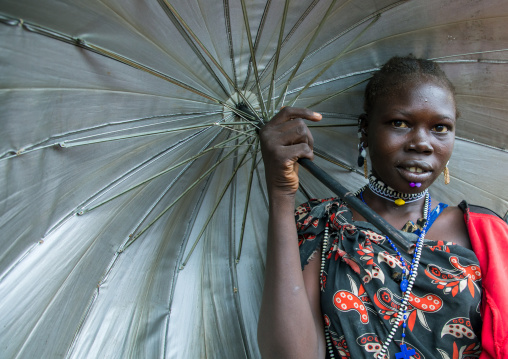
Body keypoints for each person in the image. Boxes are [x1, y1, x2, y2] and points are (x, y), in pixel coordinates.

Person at [257, 56, 508, 359]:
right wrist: (281, 194)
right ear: (365, 129)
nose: (422, 143)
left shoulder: (484, 232)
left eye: (440, 127)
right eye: (399, 123)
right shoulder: (322, 225)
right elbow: (291, 355)